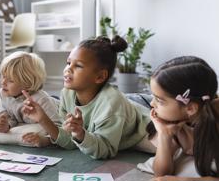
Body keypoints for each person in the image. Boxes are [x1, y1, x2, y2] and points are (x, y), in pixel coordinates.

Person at [22, 35, 151, 159]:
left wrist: (81, 134)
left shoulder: (111, 105)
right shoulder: (67, 93)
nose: (68, 69)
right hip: (128, 103)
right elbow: (69, 141)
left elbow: (105, 150)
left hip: (145, 124)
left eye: (78, 65)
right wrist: (43, 118)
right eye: (68, 63)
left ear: (100, 77)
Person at [146, 56, 219, 180]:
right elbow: (161, 173)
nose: (152, 104)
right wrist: (164, 135)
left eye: (159, 100)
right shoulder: (178, 123)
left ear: (190, 108)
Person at [0, 51, 61, 147]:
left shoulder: (42, 100)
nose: (3, 82)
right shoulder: (4, 93)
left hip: (57, 105)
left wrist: (45, 140)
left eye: (10, 80)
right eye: (3, 76)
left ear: (27, 84)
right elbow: (8, 116)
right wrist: (5, 124)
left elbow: (59, 129)